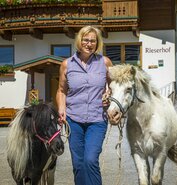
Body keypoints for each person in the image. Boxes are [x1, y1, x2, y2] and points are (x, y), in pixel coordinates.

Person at [56, 25, 113, 185]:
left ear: (97, 43)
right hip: (74, 120)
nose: (89, 43)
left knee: (90, 160)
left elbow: (116, 88)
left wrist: (109, 95)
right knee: (78, 164)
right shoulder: (67, 64)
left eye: (93, 41)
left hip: (97, 120)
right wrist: (61, 108)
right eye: (86, 40)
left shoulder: (105, 63)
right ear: (79, 41)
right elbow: (61, 90)